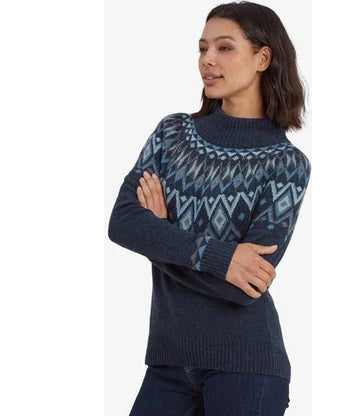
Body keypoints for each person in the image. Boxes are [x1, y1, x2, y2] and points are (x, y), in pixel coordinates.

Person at [108, 1, 311, 415]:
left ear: (263, 58)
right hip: (167, 361)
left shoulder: (286, 164)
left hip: (248, 366)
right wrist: (219, 257)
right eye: (202, 48)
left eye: (224, 48)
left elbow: (242, 286)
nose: (207, 60)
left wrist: (160, 234)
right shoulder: (172, 134)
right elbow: (123, 222)